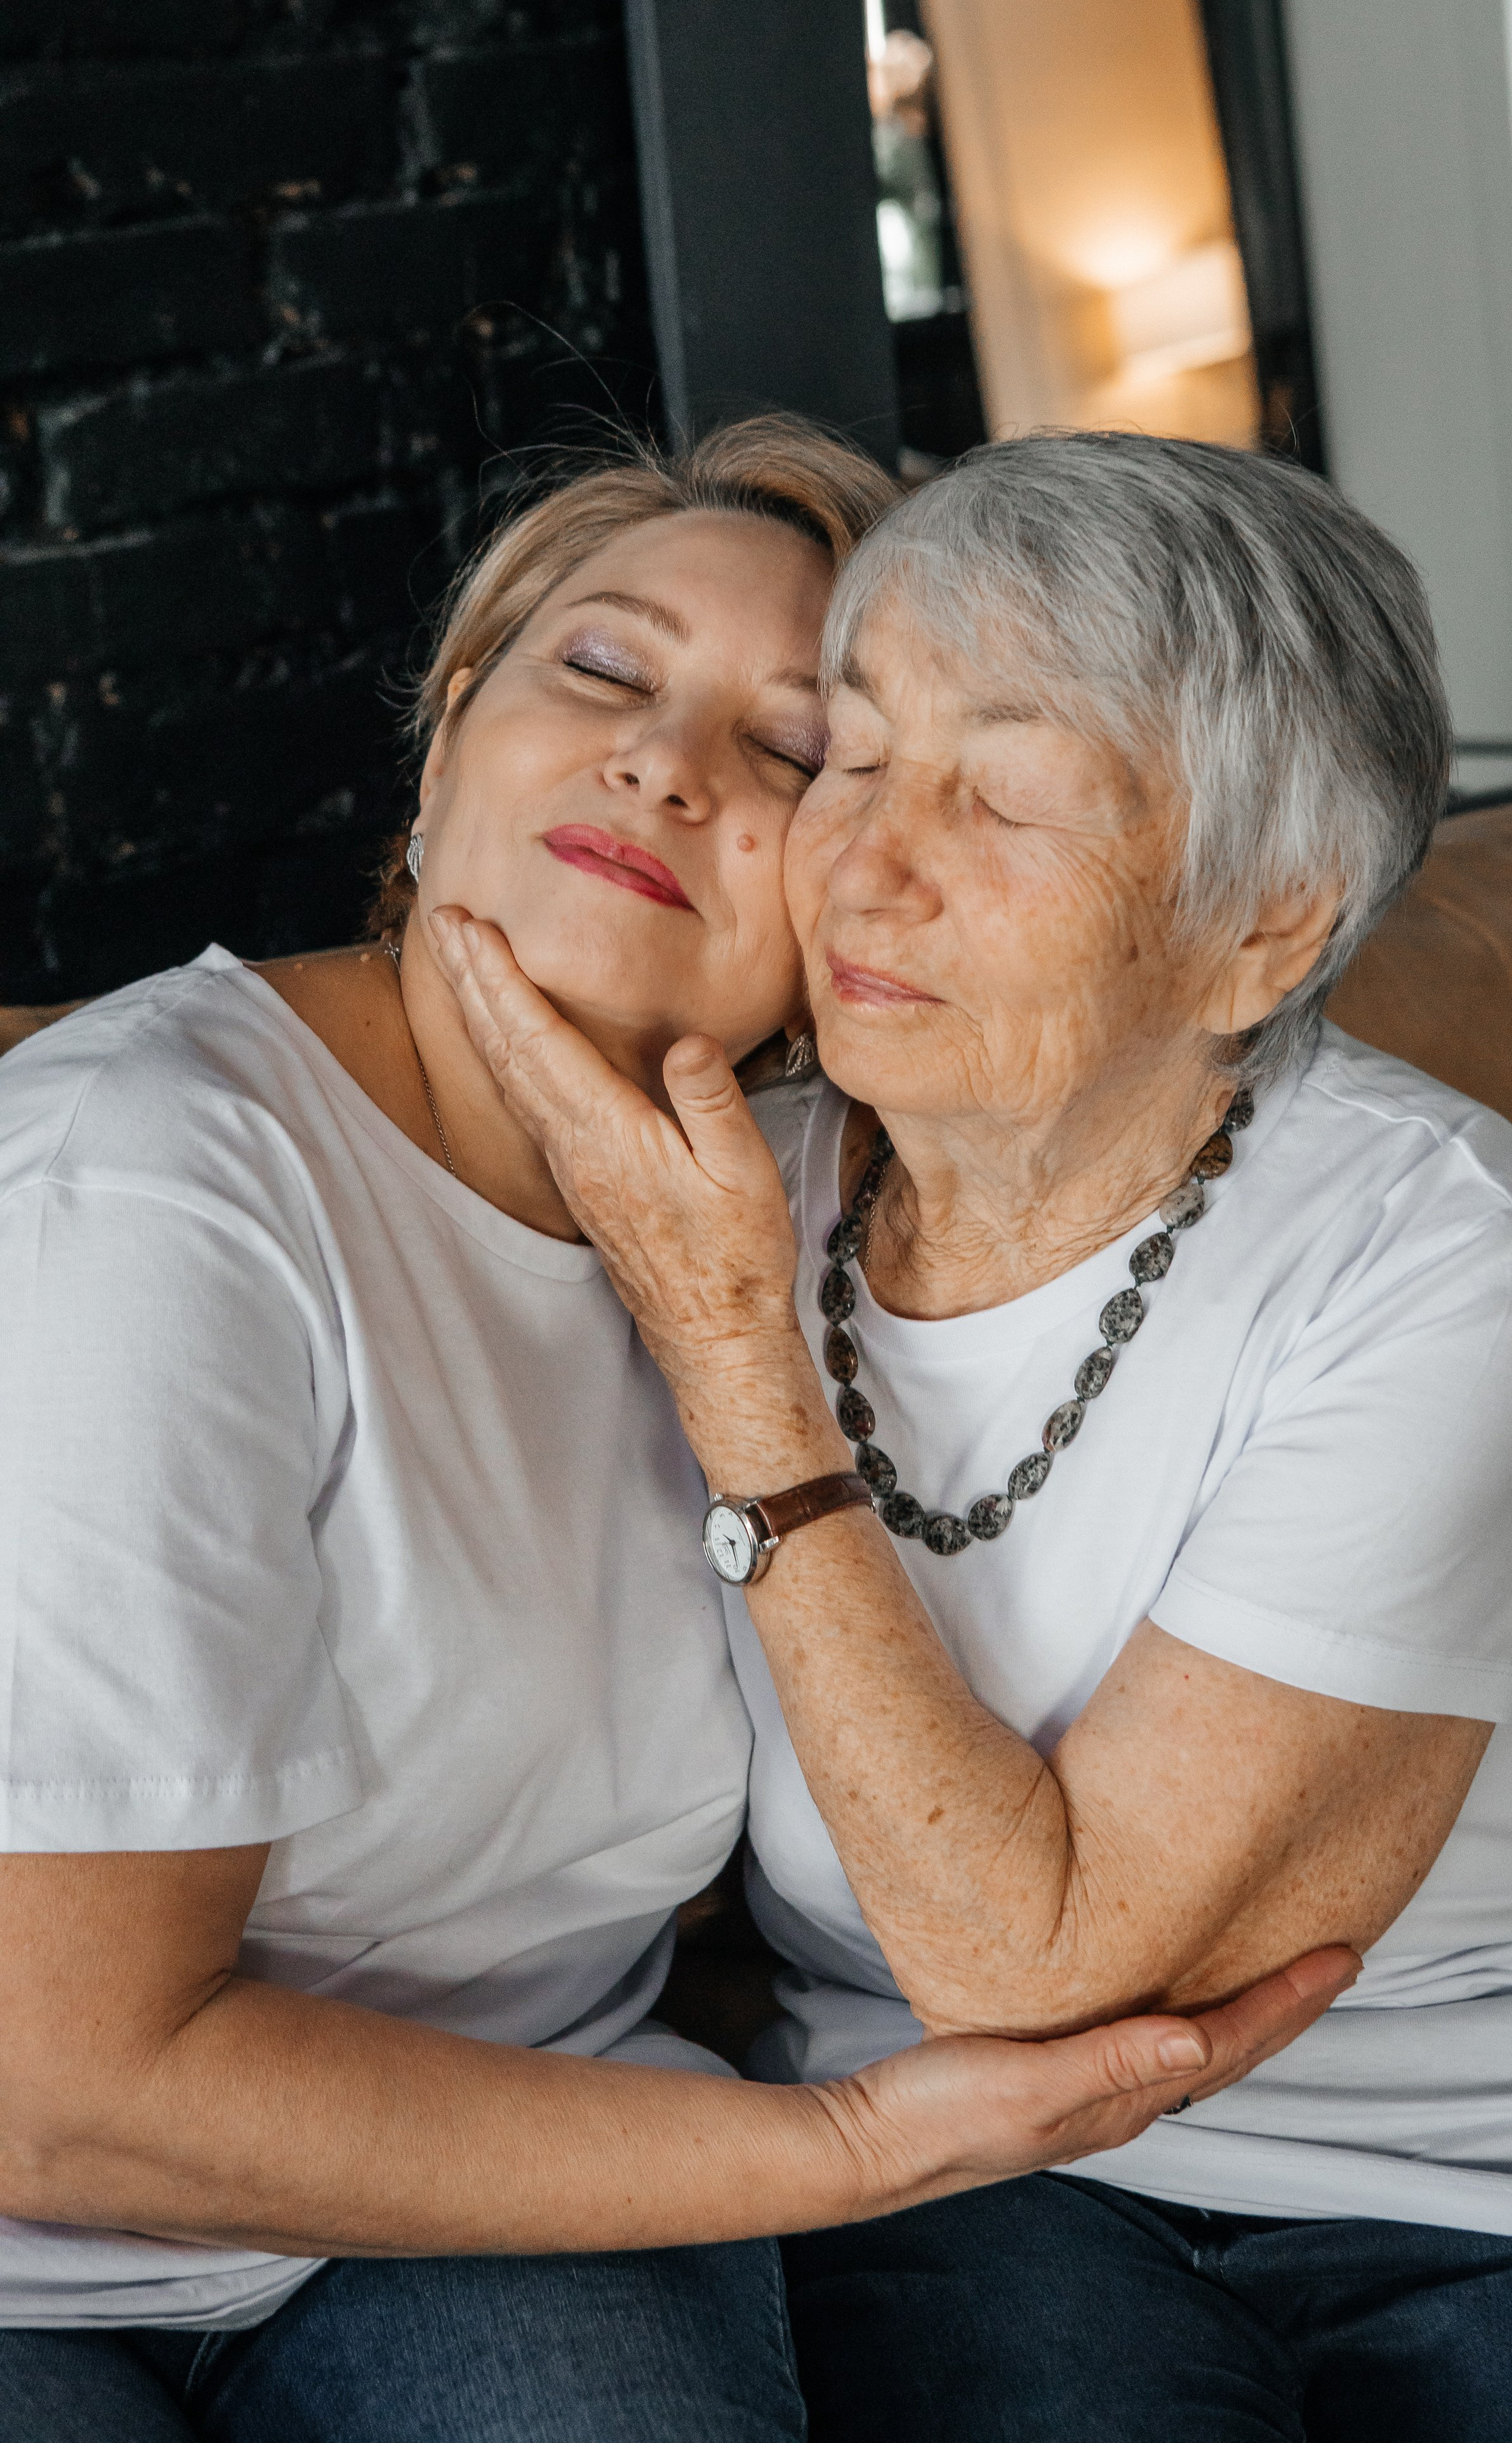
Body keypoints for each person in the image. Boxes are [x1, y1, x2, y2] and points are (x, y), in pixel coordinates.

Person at [0, 420, 1352, 2443]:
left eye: (797, 753)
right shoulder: (151, 1186)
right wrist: (865, 2147)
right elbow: (63, 2084)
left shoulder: (821, 1216)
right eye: (600, 672)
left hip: (515, 2176)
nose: (668, 765)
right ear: (451, 730)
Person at [428, 429, 1512, 2442]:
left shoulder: (1438, 1251)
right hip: (974, 2187)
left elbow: (1041, 1962)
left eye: (1008, 793)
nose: (869, 860)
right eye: (847, 757)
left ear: (1263, 930)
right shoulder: (704, 1179)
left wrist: (737, 1365)